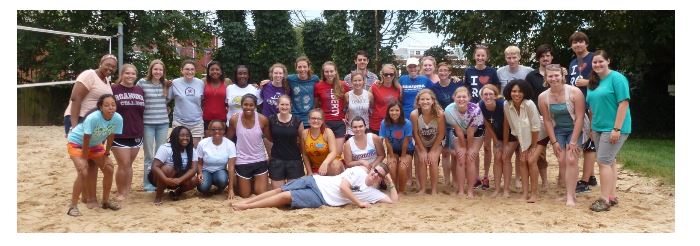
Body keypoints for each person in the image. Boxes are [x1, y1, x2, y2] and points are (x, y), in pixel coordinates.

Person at [63, 54, 117, 210]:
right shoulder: (89, 74)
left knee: (93, 160)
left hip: (95, 124)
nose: (110, 68)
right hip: (79, 120)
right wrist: (74, 124)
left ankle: (87, 197)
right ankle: (89, 198)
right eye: (107, 64)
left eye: (113, 66)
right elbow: (75, 98)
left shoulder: (106, 81)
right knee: (85, 162)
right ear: (100, 63)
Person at [231, 163, 398, 210]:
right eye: (375, 170)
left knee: (285, 196)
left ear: (381, 178)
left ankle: (247, 207)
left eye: (379, 175)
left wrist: (390, 181)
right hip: (317, 181)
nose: (375, 174)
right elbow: (343, 187)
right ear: (372, 169)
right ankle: (245, 203)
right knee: (280, 188)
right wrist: (359, 203)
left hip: (322, 198)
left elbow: (393, 201)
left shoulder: (373, 193)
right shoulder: (359, 172)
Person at [586, 50, 632, 212]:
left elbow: (623, 104)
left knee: (603, 162)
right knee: (610, 161)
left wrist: (616, 129)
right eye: (594, 62)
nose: (597, 64)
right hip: (598, 127)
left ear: (608, 61)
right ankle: (612, 196)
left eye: (601, 61)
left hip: (614, 128)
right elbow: (591, 108)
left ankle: (604, 200)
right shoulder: (594, 81)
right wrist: (592, 128)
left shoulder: (617, 78)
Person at [66, 94, 123, 216]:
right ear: (100, 107)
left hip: (95, 144)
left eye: (113, 105)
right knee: (83, 171)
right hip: (77, 142)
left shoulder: (118, 118)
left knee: (109, 168)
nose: (110, 107)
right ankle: (73, 207)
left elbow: (111, 135)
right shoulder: (93, 118)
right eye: (106, 105)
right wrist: (84, 159)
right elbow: (86, 138)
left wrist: (107, 153)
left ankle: (106, 201)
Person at [538, 64, 587, 206]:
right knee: (562, 160)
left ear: (562, 76)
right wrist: (553, 142)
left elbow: (579, 117)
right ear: (546, 78)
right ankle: (568, 193)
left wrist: (573, 141)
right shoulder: (543, 97)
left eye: (556, 75)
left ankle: (571, 196)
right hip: (558, 130)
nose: (553, 79)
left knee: (571, 159)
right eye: (550, 76)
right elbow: (547, 120)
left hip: (576, 128)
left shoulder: (574, 92)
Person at [497, 46, 535, 190]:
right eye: (509, 58)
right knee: (507, 145)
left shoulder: (528, 71)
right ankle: (504, 178)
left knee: (522, 147)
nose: (512, 60)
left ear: (519, 57)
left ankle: (518, 178)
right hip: (507, 109)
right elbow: (496, 90)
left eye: (514, 57)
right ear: (505, 58)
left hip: (524, 110)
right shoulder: (500, 71)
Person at [503, 80, 547, 203]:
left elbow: (536, 127)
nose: (517, 94)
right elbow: (515, 128)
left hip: (540, 136)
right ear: (509, 92)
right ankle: (524, 193)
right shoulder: (507, 105)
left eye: (520, 91)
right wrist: (523, 147)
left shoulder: (529, 104)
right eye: (514, 91)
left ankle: (534, 194)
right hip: (524, 137)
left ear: (525, 92)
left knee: (531, 160)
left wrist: (532, 147)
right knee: (522, 160)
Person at [464, 44, 500, 189]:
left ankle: (486, 176)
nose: (480, 58)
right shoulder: (468, 71)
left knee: (487, 146)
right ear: (474, 56)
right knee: (474, 146)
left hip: (487, 109)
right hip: (472, 110)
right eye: (478, 55)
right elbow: (466, 89)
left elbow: (496, 89)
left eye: (482, 55)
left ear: (487, 57)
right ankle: (476, 176)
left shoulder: (492, 71)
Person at [567, 31, 598, 193]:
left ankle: (584, 182)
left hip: (591, 104)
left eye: (581, 41)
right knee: (586, 141)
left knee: (589, 144)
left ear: (586, 43)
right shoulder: (573, 62)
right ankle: (591, 177)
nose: (578, 44)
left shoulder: (594, 57)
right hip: (577, 106)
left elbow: (605, 77)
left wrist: (587, 82)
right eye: (574, 42)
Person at [226, 94, 272, 198]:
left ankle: (253, 180)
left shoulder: (262, 119)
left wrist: (270, 156)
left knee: (260, 193)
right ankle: (239, 180)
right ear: (241, 105)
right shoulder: (234, 119)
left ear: (255, 106)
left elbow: (269, 138)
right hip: (242, 160)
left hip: (259, 159)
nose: (248, 107)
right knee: (245, 194)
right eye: (245, 104)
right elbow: (228, 139)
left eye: (251, 105)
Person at [111, 64, 145, 202]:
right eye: (127, 73)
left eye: (133, 74)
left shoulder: (139, 90)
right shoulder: (114, 89)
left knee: (129, 164)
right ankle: (121, 192)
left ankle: (127, 189)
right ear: (122, 74)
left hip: (136, 132)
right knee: (123, 164)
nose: (130, 76)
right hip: (119, 133)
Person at [479, 84, 518, 198]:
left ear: (496, 96)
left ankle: (506, 189)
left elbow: (506, 125)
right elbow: (487, 125)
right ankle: (496, 189)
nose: (488, 96)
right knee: (497, 158)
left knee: (505, 158)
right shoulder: (481, 105)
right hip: (497, 134)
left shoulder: (502, 105)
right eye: (485, 94)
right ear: (481, 96)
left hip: (511, 134)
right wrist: (496, 141)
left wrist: (504, 144)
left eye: (490, 94)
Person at [444, 87, 483, 197]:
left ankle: (470, 190)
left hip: (475, 133)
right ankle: (461, 190)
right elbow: (458, 130)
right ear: (454, 98)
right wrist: (463, 148)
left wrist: (468, 148)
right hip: (460, 132)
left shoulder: (475, 110)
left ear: (469, 98)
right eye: (458, 97)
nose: (461, 99)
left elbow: (471, 132)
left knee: (470, 158)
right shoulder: (449, 110)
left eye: (464, 97)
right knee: (460, 159)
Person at [525, 44, 554, 190]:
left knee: (562, 148)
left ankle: (562, 179)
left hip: (557, 116)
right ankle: (545, 181)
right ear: (538, 59)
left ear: (552, 57)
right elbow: (528, 97)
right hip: (538, 118)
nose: (545, 58)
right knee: (539, 151)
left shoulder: (559, 73)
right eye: (542, 56)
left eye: (548, 55)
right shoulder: (531, 76)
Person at [429, 62, 463, 188]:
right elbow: (435, 104)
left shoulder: (457, 85)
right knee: (445, 152)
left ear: (450, 72)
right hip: (441, 122)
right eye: (440, 70)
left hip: (455, 123)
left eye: (445, 70)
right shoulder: (434, 88)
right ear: (437, 72)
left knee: (454, 152)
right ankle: (446, 180)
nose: (443, 73)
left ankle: (455, 180)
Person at [137, 59, 170, 192]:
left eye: (160, 70)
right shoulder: (142, 82)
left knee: (160, 155)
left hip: (163, 122)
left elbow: (167, 101)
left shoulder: (165, 83)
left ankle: (158, 182)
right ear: (151, 70)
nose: (158, 72)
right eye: (155, 69)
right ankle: (147, 183)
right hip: (147, 123)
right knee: (149, 155)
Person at [148, 126, 198, 205]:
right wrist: (166, 179)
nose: (185, 138)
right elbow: (155, 166)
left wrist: (180, 180)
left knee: (195, 179)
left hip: (179, 178)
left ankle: (177, 192)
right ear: (175, 136)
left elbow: (193, 169)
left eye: (187, 136)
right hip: (161, 178)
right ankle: (158, 197)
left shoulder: (192, 150)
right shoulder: (166, 148)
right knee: (167, 169)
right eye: (182, 135)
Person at [268, 95, 309, 189]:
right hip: (277, 160)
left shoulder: (297, 121)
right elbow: (268, 137)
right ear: (277, 105)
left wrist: (304, 161)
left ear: (290, 106)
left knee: (292, 192)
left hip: (294, 160)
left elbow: (302, 142)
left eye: (287, 105)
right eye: (282, 104)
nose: (284, 107)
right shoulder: (271, 119)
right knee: (278, 192)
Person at [410, 89, 445, 195]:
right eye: (422, 99)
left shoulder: (439, 113)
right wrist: (423, 150)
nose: (425, 102)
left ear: (433, 101)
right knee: (422, 159)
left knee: (433, 160)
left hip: (436, 142)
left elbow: (441, 134)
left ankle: (434, 189)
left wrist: (432, 151)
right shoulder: (414, 114)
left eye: (428, 99)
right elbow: (415, 134)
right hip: (421, 142)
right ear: (418, 102)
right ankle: (423, 189)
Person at [314, 61, 350, 155]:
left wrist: (346, 113)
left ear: (335, 72)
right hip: (325, 123)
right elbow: (316, 104)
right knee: (323, 151)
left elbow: (348, 102)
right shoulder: (318, 86)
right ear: (323, 73)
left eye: (331, 71)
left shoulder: (344, 85)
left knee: (337, 153)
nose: (329, 74)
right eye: (326, 71)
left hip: (339, 123)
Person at [379, 101, 414, 194]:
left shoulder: (407, 123)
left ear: (401, 111)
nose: (394, 113)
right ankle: (394, 188)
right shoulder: (384, 123)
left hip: (406, 150)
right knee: (392, 165)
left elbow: (406, 141)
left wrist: (402, 156)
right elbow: (387, 141)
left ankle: (402, 191)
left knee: (402, 166)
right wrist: (391, 156)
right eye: (391, 110)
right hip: (393, 149)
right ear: (388, 112)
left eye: (397, 110)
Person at [168, 60, 205, 147]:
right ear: (181, 70)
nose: (190, 71)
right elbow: (167, 99)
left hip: (196, 123)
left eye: (192, 69)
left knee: (194, 151)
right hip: (179, 122)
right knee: (178, 149)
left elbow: (202, 100)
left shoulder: (200, 83)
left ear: (195, 71)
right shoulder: (174, 83)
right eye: (187, 69)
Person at [196, 120, 237, 197]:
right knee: (203, 187)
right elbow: (199, 162)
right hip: (206, 170)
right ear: (210, 131)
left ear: (224, 130)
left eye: (220, 129)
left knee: (222, 180)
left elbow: (231, 167)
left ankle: (219, 188)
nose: (216, 131)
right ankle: (207, 186)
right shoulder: (202, 143)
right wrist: (200, 173)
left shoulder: (230, 144)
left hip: (220, 170)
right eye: (213, 129)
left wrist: (231, 189)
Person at [301, 109, 345, 176]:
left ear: (322, 121)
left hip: (330, 165)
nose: (316, 121)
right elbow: (304, 155)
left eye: (319, 119)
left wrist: (325, 163)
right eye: (313, 118)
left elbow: (333, 152)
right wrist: (309, 171)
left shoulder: (327, 132)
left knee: (335, 164)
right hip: (315, 167)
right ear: (308, 120)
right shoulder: (304, 133)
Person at [369, 64, 402, 133]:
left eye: (391, 74)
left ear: (394, 75)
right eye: (386, 74)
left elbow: (399, 105)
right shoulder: (374, 87)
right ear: (382, 74)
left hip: (393, 124)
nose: (388, 76)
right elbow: (369, 104)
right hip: (377, 124)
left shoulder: (398, 88)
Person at [289, 56, 321, 127]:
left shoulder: (315, 79)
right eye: (299, 67)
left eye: (304, 66)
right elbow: (278, 79)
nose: (302, 69)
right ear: (296, 68)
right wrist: (268, 81)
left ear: (308, 67)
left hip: (310, 117)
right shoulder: (290, 79)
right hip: (295, 117)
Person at [202, 61, 230, 137]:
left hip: (222, 118)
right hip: (207, 118)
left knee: (221, 143)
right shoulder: (203, 81)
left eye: (217, 69)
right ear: (208, 71)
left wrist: (253, 86)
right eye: (212, 69)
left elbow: (237, 92)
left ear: (221, 71)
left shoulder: (227, 82)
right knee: (208, 144)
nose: (215, 71)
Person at [344, 72, 372, 138]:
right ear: (351, 82)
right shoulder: (347, 95)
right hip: (351, 129)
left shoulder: (369, 95)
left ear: (363, 81)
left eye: (359, 80)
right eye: (355, 81)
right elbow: (344, 110)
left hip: (365, 128)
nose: (357, 83)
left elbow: (371, 110)